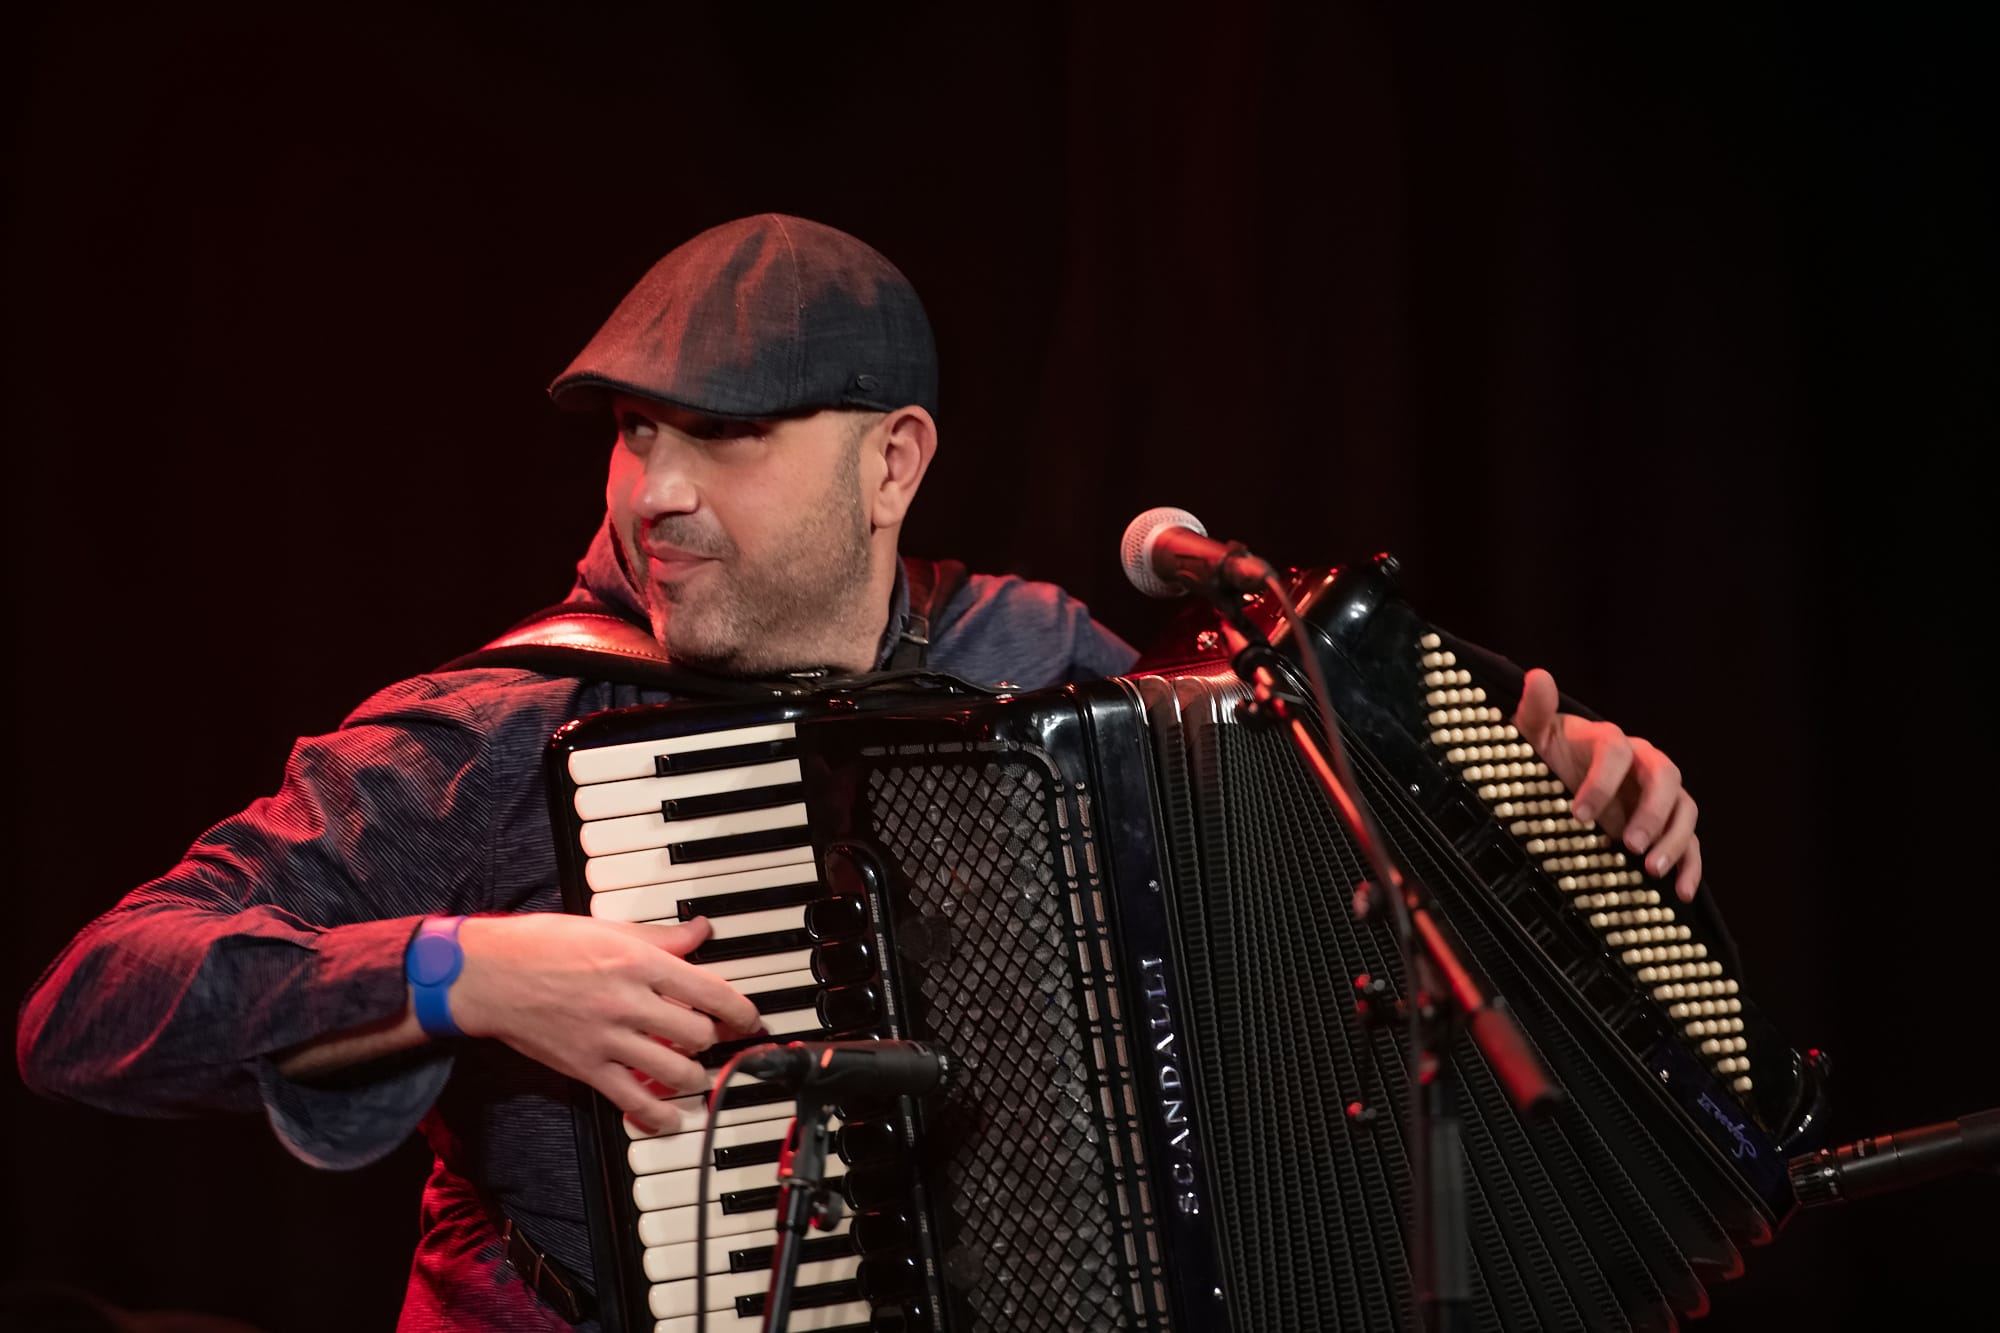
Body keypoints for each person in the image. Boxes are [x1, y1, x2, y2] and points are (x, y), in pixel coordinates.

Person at [15, 214, 1702, 1330]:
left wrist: (1539, 814)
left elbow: (1316, 905)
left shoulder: (1034, 659)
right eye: (635, 431)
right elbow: (89, 1002)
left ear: (894, 463)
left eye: (727, 434)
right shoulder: (494, 733)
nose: (656, 490)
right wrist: (464, 973)